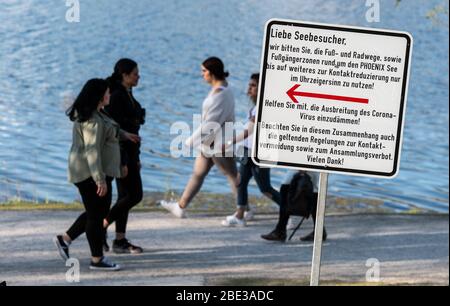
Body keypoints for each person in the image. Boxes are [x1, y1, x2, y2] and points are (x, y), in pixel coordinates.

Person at [54, 78, 139, 271]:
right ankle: (97, 259)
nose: (110, 95)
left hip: (97, 171)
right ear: (100, 96)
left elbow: (111, 130)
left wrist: (125, 135)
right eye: (107, 92)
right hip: (89, 173)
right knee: (95, 215)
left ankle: (65, 240)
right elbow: (92, 151)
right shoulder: (92, 121)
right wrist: (99, 179)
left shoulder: (98, 114)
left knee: (97, 212)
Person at [161, 57, 239, 218]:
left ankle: (244, 209)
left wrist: (189, 141)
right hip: (210, 142)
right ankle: (180, 207)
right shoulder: (224, 88)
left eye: (204, 71)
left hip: (217, 142)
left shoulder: (220, 94)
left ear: (212, 73)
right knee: (198, 173)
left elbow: (211, 123)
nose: (202, 74)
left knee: (231, 175)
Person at [221, 73, 281, 227]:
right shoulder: (255, 108)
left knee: (265, 189)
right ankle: (240, 215)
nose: (249, 88)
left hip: (260, 153)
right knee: (240, 182)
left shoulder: (263, 107)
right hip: (248, 151)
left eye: (253, 86)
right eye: (250, 85)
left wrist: (229, 142)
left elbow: (249, 131)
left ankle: (290, 211)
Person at [103, 58, 146, 254]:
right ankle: (101, 225)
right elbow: (115, 127)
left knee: (124, 195)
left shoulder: (126, 91)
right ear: (124, 75)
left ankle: (119, 240)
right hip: (122, 151)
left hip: (131, 149)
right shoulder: (117, 95)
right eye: (135, 73)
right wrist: (123, 159)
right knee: (135, 195)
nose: (138, 76)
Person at [261, 170, 328, 242]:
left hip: (306, 163)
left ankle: (280, 231)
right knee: (313, 191)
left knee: (286, 189)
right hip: (304, 163)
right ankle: (320, 231)